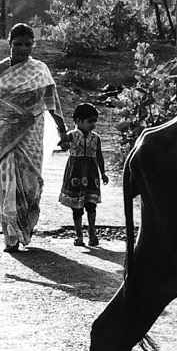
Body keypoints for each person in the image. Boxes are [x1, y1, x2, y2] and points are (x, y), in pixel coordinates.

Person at [0, 23, 69, 252]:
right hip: (3, 134)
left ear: (33, 45)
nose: (22, 49)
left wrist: (63, 130)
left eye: (27, 44)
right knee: (6, 183)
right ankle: (10, 235)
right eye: (17, 44)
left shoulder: (40, 70)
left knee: (30, 185)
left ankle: (23, 228)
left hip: (32, 133)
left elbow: (52, 102)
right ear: (9, 44)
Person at [57, 103, 109, 247]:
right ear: (79, 121)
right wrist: (63, 138)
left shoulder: (96, 138)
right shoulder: (72, 136)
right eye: (89, 121)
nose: (93, 124)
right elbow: (61, 144)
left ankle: (92, 233)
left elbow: (99, 156)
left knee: (91, 204)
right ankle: (79, 235)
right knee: (77, 207)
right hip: (75, 173)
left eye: (94, 121)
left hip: (92, 174)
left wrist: (103, 173)